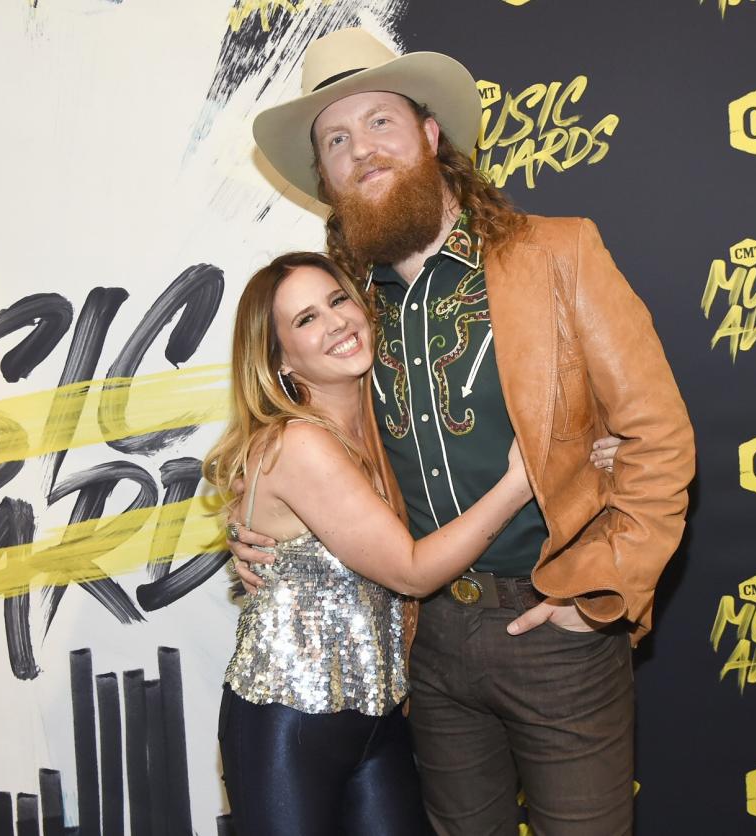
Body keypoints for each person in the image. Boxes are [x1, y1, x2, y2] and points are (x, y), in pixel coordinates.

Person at [233, 27, 695, 835]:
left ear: (429, 135)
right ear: (326, 179)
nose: (361, 150)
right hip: (428, 641)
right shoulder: (351, 312)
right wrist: (262, 532)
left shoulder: (557, 253)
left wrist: (599, 594)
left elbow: (657, 437)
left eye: (378, 122)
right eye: (335, 139)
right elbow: (322, 459)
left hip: (554, 623)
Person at [203, 251, 536, 836]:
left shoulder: (387, 423)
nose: (335, 323)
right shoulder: (299, 443)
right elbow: (410, 571)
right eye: (305, 319)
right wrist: (519, 482)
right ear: (279, 358)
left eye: (337, 300)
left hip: (382, 720)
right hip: (287, 724)